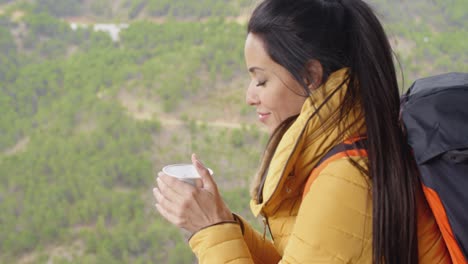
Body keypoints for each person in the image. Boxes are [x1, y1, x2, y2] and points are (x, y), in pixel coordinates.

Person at [153, 0, 452, 263]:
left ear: (310, 76)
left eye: (261, 81)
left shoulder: (348, 177)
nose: (249, 97)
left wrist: (211, 231)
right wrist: (221, 221)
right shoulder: (346, 151)